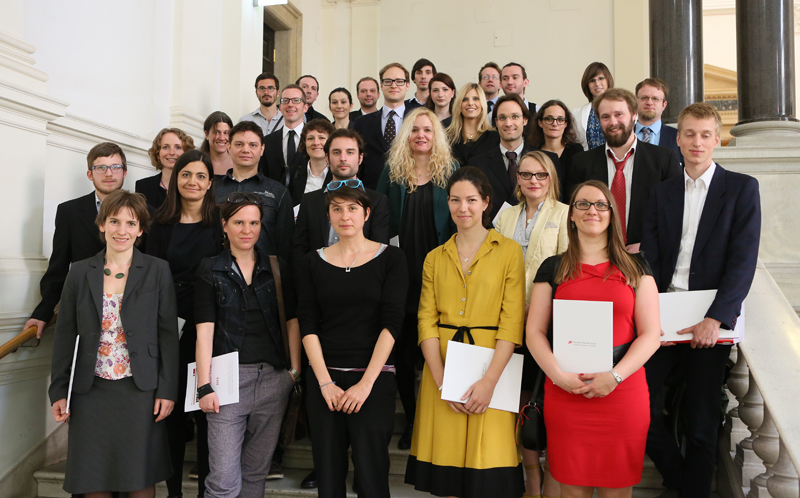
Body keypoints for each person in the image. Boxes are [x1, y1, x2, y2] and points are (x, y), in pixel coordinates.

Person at [641, 103, 761, 498]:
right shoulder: (662, 193)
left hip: (710, 323)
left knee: (702, 420)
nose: (697, 142)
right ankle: (679, 479)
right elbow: (652, 259)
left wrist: (716, 318)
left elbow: (743, 261)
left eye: (705, 134)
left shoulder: (742, 188)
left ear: (717, 139)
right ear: (677, 139)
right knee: (639, 408)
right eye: (689, 134)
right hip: (663, 315)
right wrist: (649, 314)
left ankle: (693, 492)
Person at [526, 179, 660, 497]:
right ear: (571, 215)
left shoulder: (636, 267)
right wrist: (559, 377)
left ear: (612, 214)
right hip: (566, 394)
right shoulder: (553, 268)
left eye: (601, 204)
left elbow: (652, 334)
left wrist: (614, 377)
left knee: (617, 492)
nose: (592, 211)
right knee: (572, 491)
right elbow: (534, 332)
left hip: (622, 392)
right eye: (582, 204)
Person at [405, 166, 526, 498]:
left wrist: (488, 382)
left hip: (492, 367)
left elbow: (512, 322)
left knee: (488, 473)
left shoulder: (509, 252)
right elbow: (426, 321)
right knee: (445, 476)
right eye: (455, 200)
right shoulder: (434, 257)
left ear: (486, 202)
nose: (463, 208)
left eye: (471, 200)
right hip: (441, 368)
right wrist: (443, 380)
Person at [49, 189, 179, 498]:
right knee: (94, 478)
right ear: (102, 225)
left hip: (140, 389)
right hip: (90, 390)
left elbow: (167, 335)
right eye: (114, 221)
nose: (122, 230)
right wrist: (58, 390)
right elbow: (66, 335)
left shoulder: (158, 270)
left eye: (131, 223)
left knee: (139, 477)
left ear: (141, 229)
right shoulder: (79, 272)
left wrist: (167, 390)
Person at [296, 182, 408, 498]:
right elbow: (307, 324)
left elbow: (392, 324)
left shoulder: (392, 259)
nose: (345, 215)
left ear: (367, 213)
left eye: (353, 208)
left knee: (372, 480)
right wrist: (325, 383)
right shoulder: (310, 262)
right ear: (328, 215)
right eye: (337, 208)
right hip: (324, 382)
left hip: (373, 381)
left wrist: (365, 385)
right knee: (329, 481)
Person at [194, 194, 301, 498]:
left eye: (253, 223)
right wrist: (204, 386)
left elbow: (292, 320)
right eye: (239, 222)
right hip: (227, 383)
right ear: (225, 225)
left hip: (273, 379)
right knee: (223, 482)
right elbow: (204, 332)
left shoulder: (276, 267)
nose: (247, 230)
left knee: (255, 476)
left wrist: (293, 371)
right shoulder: (210, 269)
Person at [376, 107, 457, 450]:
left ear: (436, 135)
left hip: (441, 278)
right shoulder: (392, 173)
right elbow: (379, 223)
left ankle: (442, 422)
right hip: (402, 277)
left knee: (441, 353)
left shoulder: (450, 172)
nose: (421, 135)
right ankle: (411, 421)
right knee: (405, 357)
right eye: (414, 130)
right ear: (405, 136)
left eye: (427, 129)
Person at [146, 149, 225, 498]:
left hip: (214, 328)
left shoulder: (221, 222)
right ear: (175, 180)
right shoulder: (158, 225)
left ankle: (209, 491)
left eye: (200, 176)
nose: (193, 182)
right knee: (174, 415)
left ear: (210, 183)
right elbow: (148, 279)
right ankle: (175, 491)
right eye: (186, 175)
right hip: (170, 328)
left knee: (210, 416)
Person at [494, 151, 568, 498]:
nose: (533, 181)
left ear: (550, 177)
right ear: (518, 179)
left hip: (549, 323)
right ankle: (532, 480)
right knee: (522, 402)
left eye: (541, 175)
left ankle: (553, 479)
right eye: (526, 175)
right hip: (507, 320)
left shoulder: (566, 214)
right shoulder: (504, 217)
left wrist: (538, 308)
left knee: (549, 402)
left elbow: (567, 271)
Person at [25, 142, 128, 341]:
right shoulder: (69, 212)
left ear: (124, 172)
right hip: (84, 309)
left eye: (115, 167)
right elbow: (59, 266)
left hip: (130, 308)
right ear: (90, 174)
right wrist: (42, 312)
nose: (109, 173)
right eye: (101, 167)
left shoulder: (145, 212)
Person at [566, 88, 682, 252]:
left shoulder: (664, 160)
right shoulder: (581, 163)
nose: (613, 122)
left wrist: (647, 246)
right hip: (595, 257)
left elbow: (676, 213)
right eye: (605, 117)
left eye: (619, 114)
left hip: (646, 257)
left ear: (634, 115)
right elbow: (574, 214)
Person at [292, 128, 390, 269]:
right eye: (336, 152)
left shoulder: (378, 201)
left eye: (350, 152)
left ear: (360, 158)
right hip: (319, 280)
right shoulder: (310, 201)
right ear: (327, 158)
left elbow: (379, 252)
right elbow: (299, 251)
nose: (343, 158)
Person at [470, 94, 560, 222]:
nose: (508, 123)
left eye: (515, 117)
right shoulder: (477, 164)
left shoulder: (548, 160)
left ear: (525, 120)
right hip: (492, 236)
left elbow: (556, 202)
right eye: (502, 118)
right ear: (496, 122)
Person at [215, 120, 294, 265]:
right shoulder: (213, 190)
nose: (246, 150)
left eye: (253, 145)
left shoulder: (278, 192)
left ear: (262, 149)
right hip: (218, 274)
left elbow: (285, 245)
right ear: (228, 147)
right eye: (239, 144)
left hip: (265, 277)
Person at [352, 62, 412, 190]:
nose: (394, 85)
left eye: (399, 81)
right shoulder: (362, 123)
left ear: (407, 85)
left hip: (409, 190)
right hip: (371, 192)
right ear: (381, 85)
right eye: (388, 81)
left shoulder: (417, 121)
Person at [528, 99, 584, 201]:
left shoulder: (575, 151)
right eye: (549, 119)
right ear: (540, 122)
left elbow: (576, 190)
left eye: (560, 119)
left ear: (566, 124)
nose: (555, 124)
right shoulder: (532, 152)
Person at [259, 84, 308, 186]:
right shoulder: (267, 141)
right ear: (280, 107)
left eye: (296, 100)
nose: (290, 104)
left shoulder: (315, 141)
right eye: (285, 100)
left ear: (305, 107)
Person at [136, 127, 194, 209]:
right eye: (166, 147)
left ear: (186, 153)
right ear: (157, 154)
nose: (172, 153)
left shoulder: (193, 186)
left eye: (178, 147)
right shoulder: (143, 186)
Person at [447, 82, 500, 168]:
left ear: (482, 104)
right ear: (459, 105)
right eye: (465, 99)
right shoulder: (448, 138)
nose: (470, 103)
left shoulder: (494, 138)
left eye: (475, 99)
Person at [635, 78, 683, 164]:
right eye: (644, 98)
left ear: (664, 105)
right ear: (635, 102)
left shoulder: (678, 137)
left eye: (655, 99)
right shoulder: (623, 135)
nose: (649, 102)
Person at [288, 119, 335, 204]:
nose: (316, 143)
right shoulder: (291, 174)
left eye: (321, 138)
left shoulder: (339, 175)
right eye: (310, 138)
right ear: (304, 143)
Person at [572, 62, 614, 151]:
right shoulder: (577, 113)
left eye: (601, 78)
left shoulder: (621, 109)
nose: (597, 84)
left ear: (608, 81)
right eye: (592, 80)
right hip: (588, 162)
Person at [239, 72, 284, 137]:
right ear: (256, 93)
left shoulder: (287, 120)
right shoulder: (245, 121)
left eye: (270, 88)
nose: (266, 92)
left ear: (277, 93)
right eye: (262, 88)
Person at [201, 111, 234, 176]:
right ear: (206, 134)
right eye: (216, 132)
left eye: (226, 133)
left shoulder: (238, 162)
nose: (222, 138)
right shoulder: (198, 162)